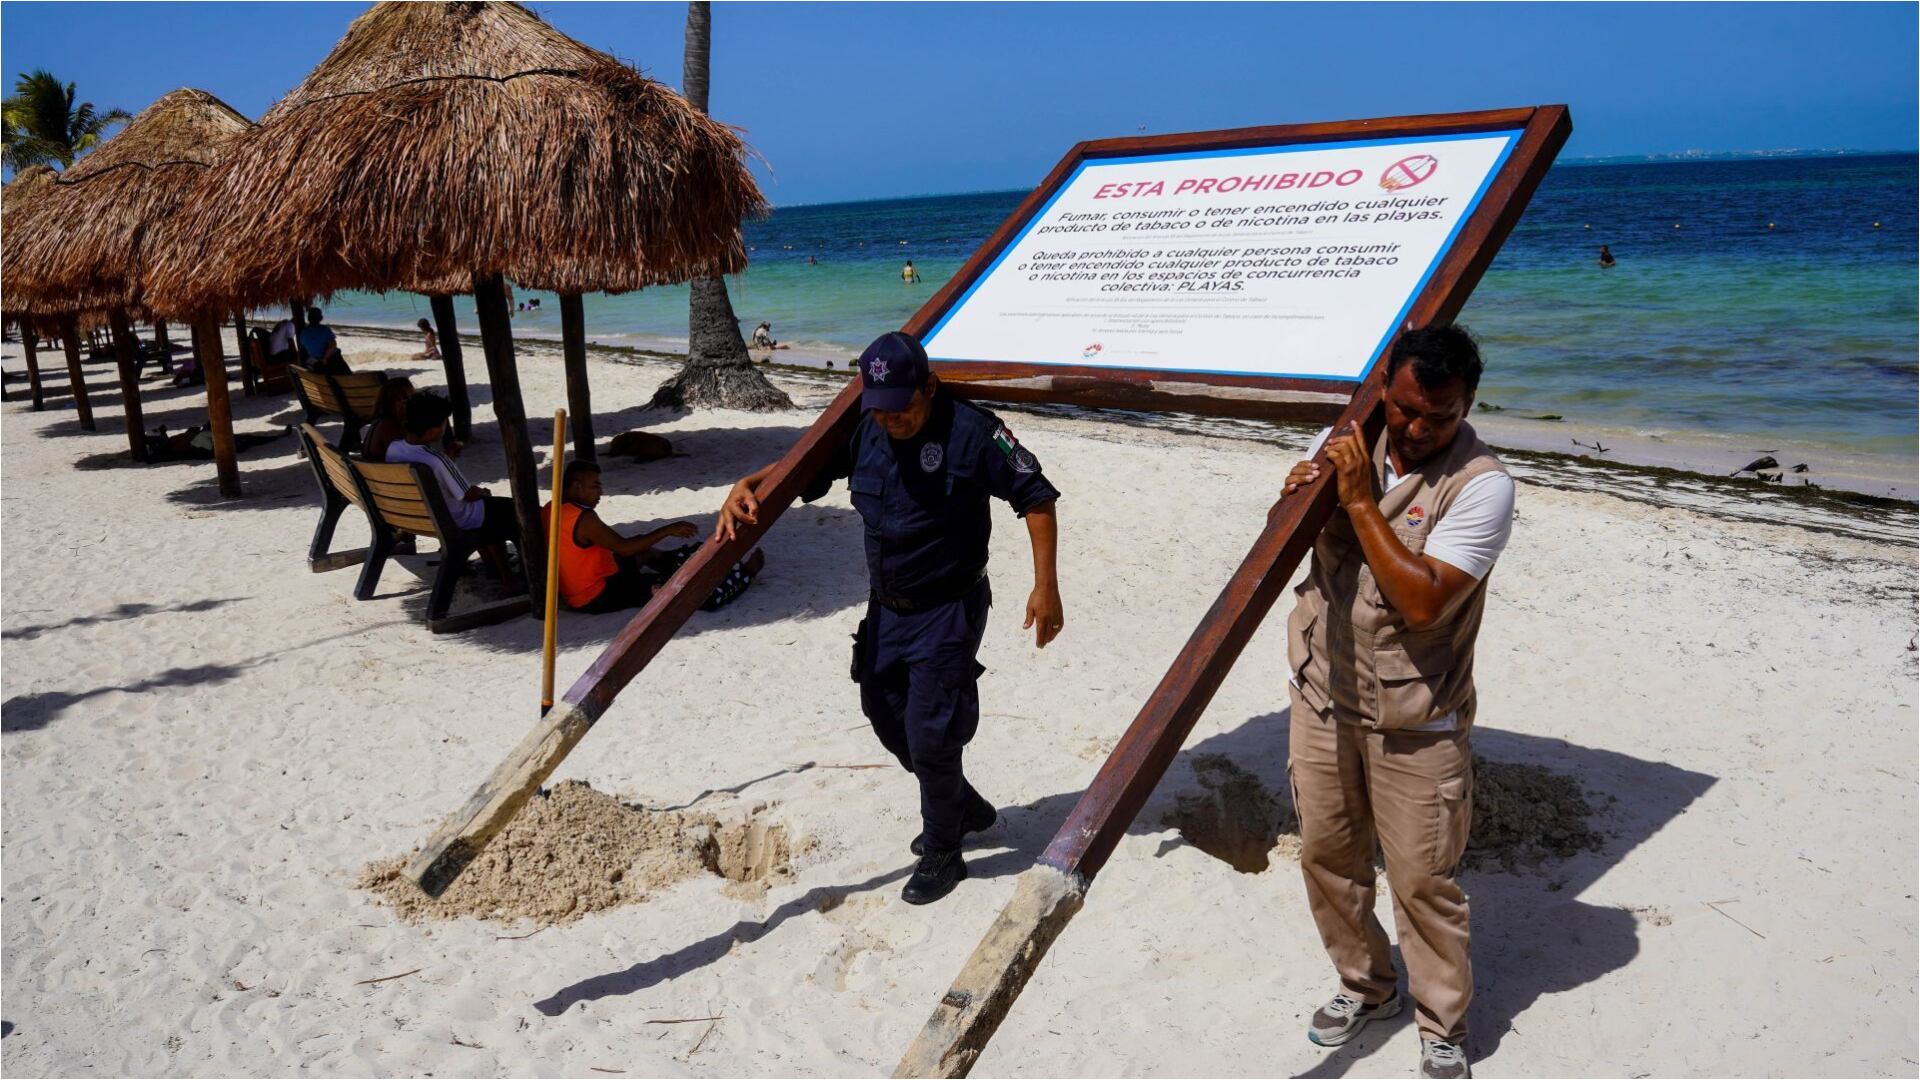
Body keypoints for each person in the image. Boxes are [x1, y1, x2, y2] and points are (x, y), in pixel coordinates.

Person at [716, 331, 1065, 905]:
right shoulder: (866, 424)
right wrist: (749, 483)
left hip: (950, 607)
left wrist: (1045, 587)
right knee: (884, 716)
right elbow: (803, 469)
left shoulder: (974, 431)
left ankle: (943, 846)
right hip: (886, 609)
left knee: (930, 731)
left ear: (928, 386)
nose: (892, 418)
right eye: (882, 407)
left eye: (904, 405)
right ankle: (961, 803)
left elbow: (1036, 498)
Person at [1279, 324, 1514, 1080]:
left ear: (1467, 406)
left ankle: (1441, 1023)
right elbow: (1291, 536)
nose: (1415, 429)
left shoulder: (1482, 485)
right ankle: (1366, 984)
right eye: (1406, 409)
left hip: (1418, 719)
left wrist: (1357, 503)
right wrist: (1298, 495)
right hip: (1323, 695)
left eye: (1438, 417)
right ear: (1386, 388)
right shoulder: (1349, 438)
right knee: (1328, 855)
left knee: (1422, 879)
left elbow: (1423, 603)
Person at [546, 460, 763, 614]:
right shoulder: (583, 518)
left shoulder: (550, 509)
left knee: (646, 553)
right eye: (595, 486)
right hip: (596, 594)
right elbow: (623, 547)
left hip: (586, 583)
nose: (600, 492)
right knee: (669, 591)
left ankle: (694, 562)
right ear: (577, 486)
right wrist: (667, 530)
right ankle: (743, 576)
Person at [387, 392, 519, 589]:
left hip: (419, 517)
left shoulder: (394, 448)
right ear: (432, 430)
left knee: (493, 511)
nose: (445, 427)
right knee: (513, 511)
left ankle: (493, 566)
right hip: (455, 520)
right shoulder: (436, 460)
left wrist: (448, 458)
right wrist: (483, 492)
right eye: (443, 423)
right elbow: (467, 494)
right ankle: (510, 577)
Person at [360, 377, 416, 463]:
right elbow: (409, 459)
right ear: (392, 402)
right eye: (406, 398)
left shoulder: (379, 422)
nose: (411, 403)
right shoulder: (390, 427)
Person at [298, 308, 348, 374]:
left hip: (314, 361)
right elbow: (333, 346)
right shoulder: (325, 329)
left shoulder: (303, 333)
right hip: (329, 363)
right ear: (321, 318)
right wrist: (324, 358)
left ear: (308, 318)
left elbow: (304, 348)